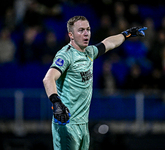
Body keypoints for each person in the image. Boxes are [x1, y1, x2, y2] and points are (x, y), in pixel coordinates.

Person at [43, 16, 147, 150]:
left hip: (83, 124)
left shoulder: (90, 52)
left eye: (88, 29)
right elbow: (48, 78)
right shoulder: (65, 55)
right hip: (66, 124)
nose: (86, 33)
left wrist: (126, 34)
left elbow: (109, 43)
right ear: (71, 35)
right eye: (81, 30)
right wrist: (56, 102)